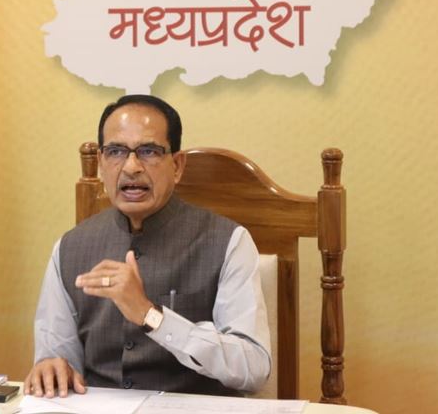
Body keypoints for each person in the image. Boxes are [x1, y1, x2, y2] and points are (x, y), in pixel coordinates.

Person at [24, 95, 271, 398]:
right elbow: (56, 356)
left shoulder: (229, 241)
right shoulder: (69, 248)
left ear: (177, 166)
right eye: (116, 151)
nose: (131, 167)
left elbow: (253, 368)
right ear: (101, 163)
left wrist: (150, 315)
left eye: (149, 151)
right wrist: (51, 367)